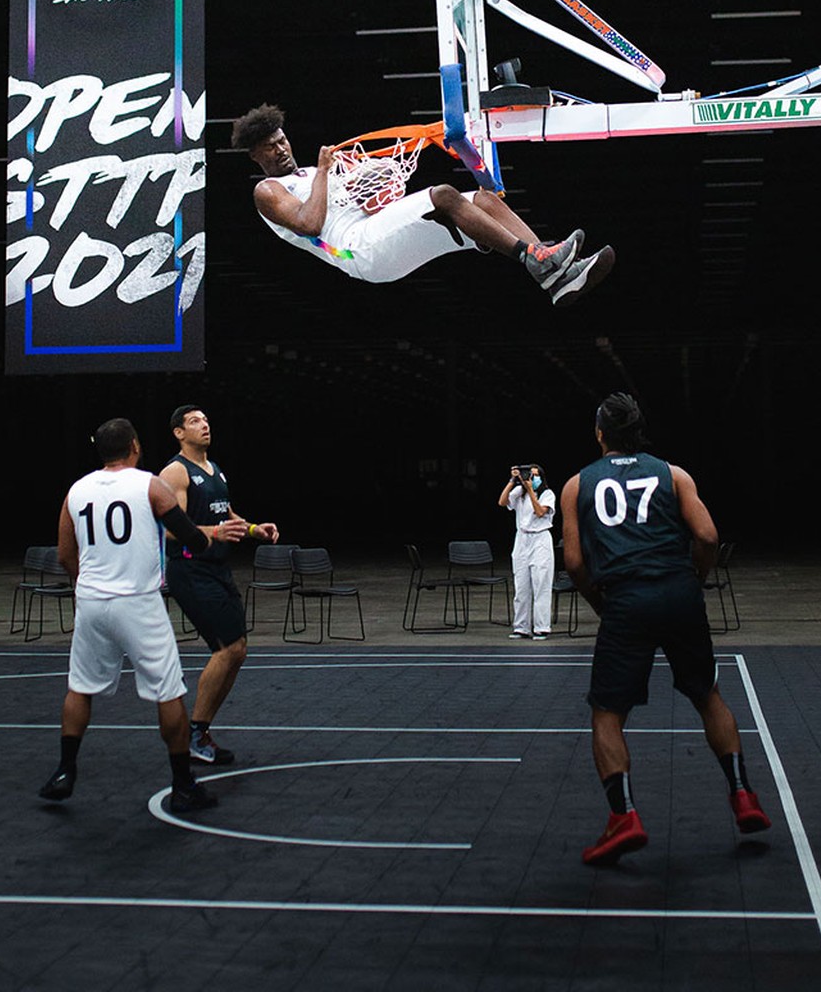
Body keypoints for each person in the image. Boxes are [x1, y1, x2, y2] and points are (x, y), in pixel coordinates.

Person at [560, 392, 771, 865]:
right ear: (640, 431)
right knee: (706, 694)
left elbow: (574, 562)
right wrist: (694, 581)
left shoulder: (578, 485)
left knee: (607, 713)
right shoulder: (674, 475)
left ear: (599, 434)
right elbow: (709, 537)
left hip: (626, 599)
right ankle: (742, 795)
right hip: (678, 591)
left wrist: (601, 603)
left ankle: (624, 817)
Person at [229, 103, 614, 306]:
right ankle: (537, 260)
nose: (280, 148)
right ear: (255, 155)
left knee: (478, 199)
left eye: (281, 140)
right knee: (443, 194)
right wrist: (327, 172)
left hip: (373, 233)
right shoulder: (268, 190)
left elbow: (364, 202)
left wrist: (372, 179)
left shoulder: (314, 172)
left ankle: (554, 274)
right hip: (356, 251)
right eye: (269, 146)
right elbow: (312, 224)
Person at [38, 418, 216, 815]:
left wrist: (88, 584)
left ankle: (65, 771)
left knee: (80, 686)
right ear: (135, 446)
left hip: (92, 600)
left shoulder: (77, 490)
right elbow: (188, 535)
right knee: (168, 689)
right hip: (137, 600)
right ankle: (183, 784)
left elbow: (66, 554)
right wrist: (211, 538)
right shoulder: (150, 484)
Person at [159, 405, 279, 766]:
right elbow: (168, 527)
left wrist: (256, 529)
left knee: (238, 650)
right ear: (179, 432)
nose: (204, 424)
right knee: (227, 649)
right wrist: (214, 533)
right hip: (189, 569)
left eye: (206, 419)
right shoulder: (175, 471)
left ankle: (201, 730)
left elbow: (225, 515)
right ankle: (194, 733)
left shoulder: (216, 471)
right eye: (195, 421)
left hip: (216, 568)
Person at [499, 464, 555, 639]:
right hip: (522, 539)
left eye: (535, 475)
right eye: (529, 475)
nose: (532, 478)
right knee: (521, 585)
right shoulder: (519, 492)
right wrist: (513, 481)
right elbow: (502, 501)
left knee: (541, 585)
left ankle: (541, 627)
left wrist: (531, 490)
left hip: (540, 539)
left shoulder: (547, 494)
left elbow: (539, 512)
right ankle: (521, 627)